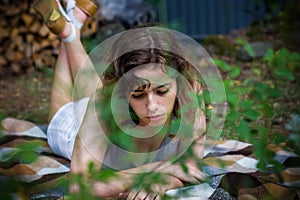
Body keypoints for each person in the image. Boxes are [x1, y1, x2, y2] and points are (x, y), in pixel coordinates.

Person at [32, 0, 207, 199]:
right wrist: (153, 171)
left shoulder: (191, 95)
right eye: (139, 95)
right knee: (69, 108)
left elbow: (190, 170)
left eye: (162, 91)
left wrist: (161, 182)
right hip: (73, 130)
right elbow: (78, 190)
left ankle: (71, 31)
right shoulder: (100, 106)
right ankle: (69, 34)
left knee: (96, 92)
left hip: (109, 112)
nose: (152, 106)